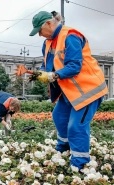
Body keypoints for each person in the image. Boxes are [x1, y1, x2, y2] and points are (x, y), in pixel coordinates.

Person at [29, 11, 108, 170]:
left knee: (76, 126)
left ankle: (79, 164)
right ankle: (64, 150)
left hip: (88, 90)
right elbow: (47, 64)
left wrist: (52, 75)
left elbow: (74, 66)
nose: (39, 35)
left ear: (49, 24)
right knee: (59, 116)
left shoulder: (70, 36)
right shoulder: (48, 42)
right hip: (70, 90)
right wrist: (40, 73)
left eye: (39, 30)